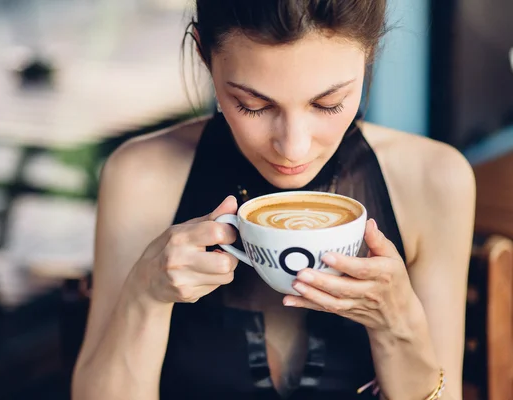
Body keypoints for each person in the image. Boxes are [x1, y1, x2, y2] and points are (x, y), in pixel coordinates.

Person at [72, 1, 475, 399]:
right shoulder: (143, 178)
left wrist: (397, 326)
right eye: (254, 106)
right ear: (204, 56)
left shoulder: (434, 181)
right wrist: (145, 295)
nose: (293, 149)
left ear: (369, 54)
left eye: (328, 103)